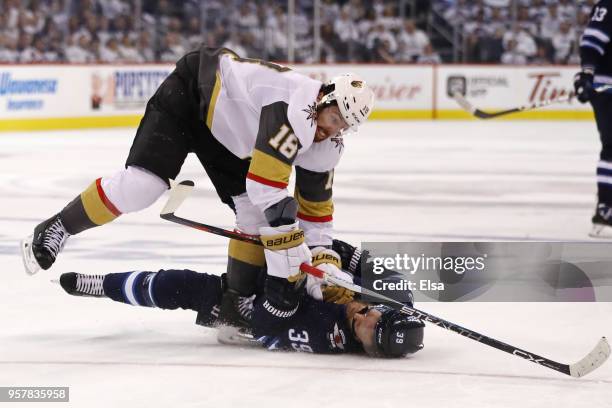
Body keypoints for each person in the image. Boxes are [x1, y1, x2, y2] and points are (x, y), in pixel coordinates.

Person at [21, 46, 375, 326]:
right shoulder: (294, 108)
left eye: (344, 126)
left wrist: (323, 258)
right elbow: (268, 191)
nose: (333, 130)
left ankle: (236, 304)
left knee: (252, 217)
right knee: (142, 187)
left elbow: (315, 214)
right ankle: (56, 227)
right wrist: (297, 259)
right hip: (192, 95)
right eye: (333, 118)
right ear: (323, 99)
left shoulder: (326, 140)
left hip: (231, 135)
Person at [56, 245, 425, 357]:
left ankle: (101, 285)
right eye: (375, 320)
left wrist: (289, 285)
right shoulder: (381, 300)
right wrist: (335, 254)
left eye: (367, 335)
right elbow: (373, 267)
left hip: (253, 309)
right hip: (288, 278)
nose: (364, 321)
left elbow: (268, 324)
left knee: (179, 286)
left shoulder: (326, 332)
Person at [574, 0, 612, 237]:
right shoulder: (608, 5)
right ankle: (606, 208)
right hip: (607, 89)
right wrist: (587, 73)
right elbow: (591, 42)